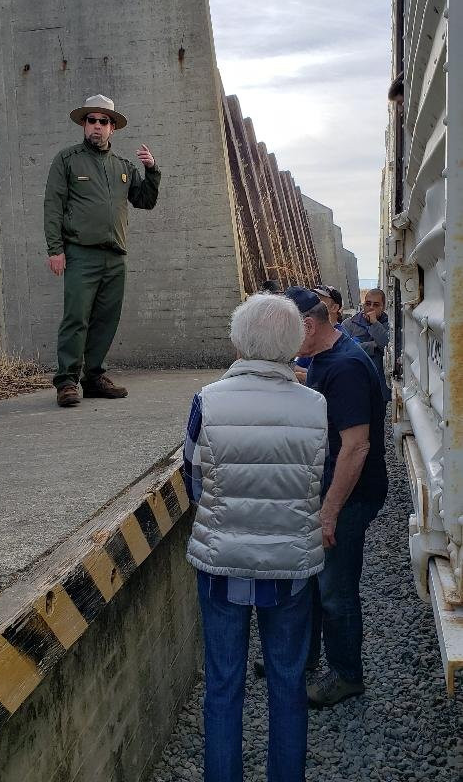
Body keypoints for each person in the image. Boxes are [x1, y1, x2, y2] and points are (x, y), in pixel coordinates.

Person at [184, 292, 328, 782]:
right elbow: (316, 479)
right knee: (287, 685)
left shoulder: (207, 400)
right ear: (294, 342)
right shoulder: (316, 405)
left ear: (238, 340)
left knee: (223, 686)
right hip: (289, 566)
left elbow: (195, 478)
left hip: (221, 563)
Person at [285, 287, 388, 708]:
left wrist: (329, 512)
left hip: (350, 494)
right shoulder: (329, 356)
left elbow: (356, 446)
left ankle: (346, 675)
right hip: (333, 486)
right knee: (314, 577)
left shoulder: (344, 366)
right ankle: (305, 658)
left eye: (287, 334)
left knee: (335, 587)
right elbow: (322, 389)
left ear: (308, 326)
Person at [44, 94, 161, 407]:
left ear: (113, 128)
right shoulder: (67, 160)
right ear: (84, 125)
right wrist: (56, 249)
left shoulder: (123, 167)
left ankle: (93, 377)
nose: (97, 126)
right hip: (81, 253)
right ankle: (67, 381)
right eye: (91, 120)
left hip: (115, 256)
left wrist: (151, 170)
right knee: (76, 317)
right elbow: (53, 206)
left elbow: (145, 201)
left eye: (103, 121)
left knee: (106, 319)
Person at [343, 288, 390, 401]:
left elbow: (387, 345)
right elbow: (346, 350)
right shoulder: (350, 324)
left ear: (383, 307)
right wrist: (373, 346)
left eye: (376, 305)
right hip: (355, 383)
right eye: (368, 303)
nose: (371, 307)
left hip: (379, 387)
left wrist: (374, 323)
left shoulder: (389, 325)